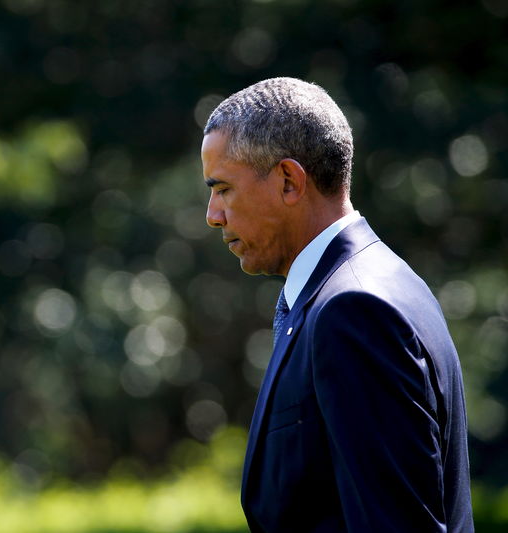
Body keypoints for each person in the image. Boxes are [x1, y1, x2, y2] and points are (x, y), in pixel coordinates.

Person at [200, 77, 473, 532]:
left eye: (223, 188)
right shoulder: (373, 284)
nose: (212, 214)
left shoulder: (354, 310)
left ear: (289, 181)